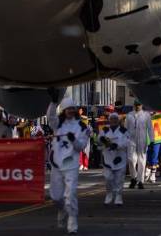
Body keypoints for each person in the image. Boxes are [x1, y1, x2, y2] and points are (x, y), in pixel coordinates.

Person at [48, 98, 90, 235]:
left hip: (71, 164)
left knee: (70, 195)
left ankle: (72, 225)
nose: (70, 111)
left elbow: (81, 146)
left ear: (75, 110)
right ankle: (62, 209)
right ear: (64, 110)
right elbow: (50, 116)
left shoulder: (82, 127)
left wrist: (74, 140)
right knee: (56, 197)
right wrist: (53, 102)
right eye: (68, 109)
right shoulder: (58, 124)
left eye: (72, 108)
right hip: (56, 164)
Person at [98, 112, 129, 206]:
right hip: (107, 158)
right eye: (112, 119)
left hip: (120, 158)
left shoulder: (123, 130)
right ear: (109, 120)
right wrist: (102, 140)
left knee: (119, 179)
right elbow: (99, 140)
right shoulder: (105, 130)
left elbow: (127, 142)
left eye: (116, 119)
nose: (114, 120)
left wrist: (118, 145)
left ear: (118, 120)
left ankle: (118, 196)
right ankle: (109, 194)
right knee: (108, 178)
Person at [126, 99, 152, 190]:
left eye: (139, 105)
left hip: (142, 139)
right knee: (131, 159)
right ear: (134, 105)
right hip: (131, 139)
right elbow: (126, 128)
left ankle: (140, 181)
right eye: (136, 105)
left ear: (141, 105)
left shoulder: (146, 115)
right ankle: (134, 177)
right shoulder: (129, 115)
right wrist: (125, 139)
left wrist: (152, 140)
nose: (137, 106)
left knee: (142, 160)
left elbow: (150, 128)